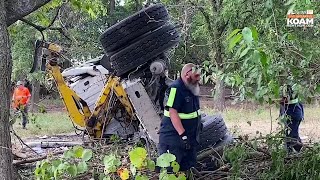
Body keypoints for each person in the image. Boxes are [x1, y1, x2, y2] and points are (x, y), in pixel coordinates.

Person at [158, 63, 202, 173]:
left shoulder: (192, 87)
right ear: (187, 75)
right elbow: (173, 112)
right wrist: (183, 135)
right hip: (174, 139)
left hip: (189, 139)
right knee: (170, 171)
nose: (199, 79)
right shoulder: (176, 88)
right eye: (196, 76)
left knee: (186, 169)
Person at [280, 85, 304, 152]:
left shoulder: (288, 87)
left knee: (290, 133)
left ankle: (292, 150)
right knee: (293, 131)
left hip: (292, 112)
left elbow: (286, 100)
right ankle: (294, 148)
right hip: (297, 111)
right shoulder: (294, 86)